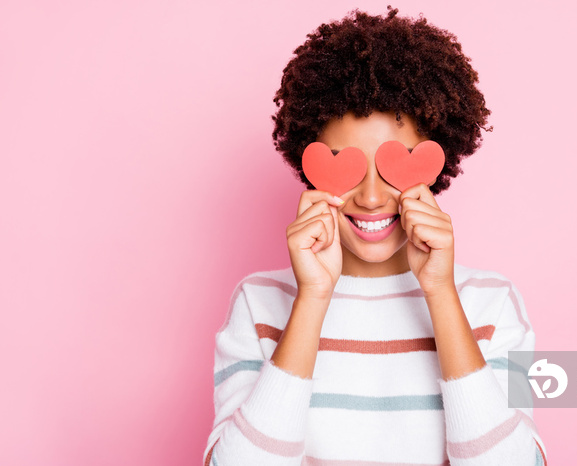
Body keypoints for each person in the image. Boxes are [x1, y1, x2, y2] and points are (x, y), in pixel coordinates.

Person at [205, 7, 547, 465]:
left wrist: (441, 293)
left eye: (395, 165)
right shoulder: (258, 303)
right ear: (310, 165)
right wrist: (313, 298)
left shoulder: (495, 303)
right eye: (345, 165)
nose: (369, 198)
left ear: (434, 163)